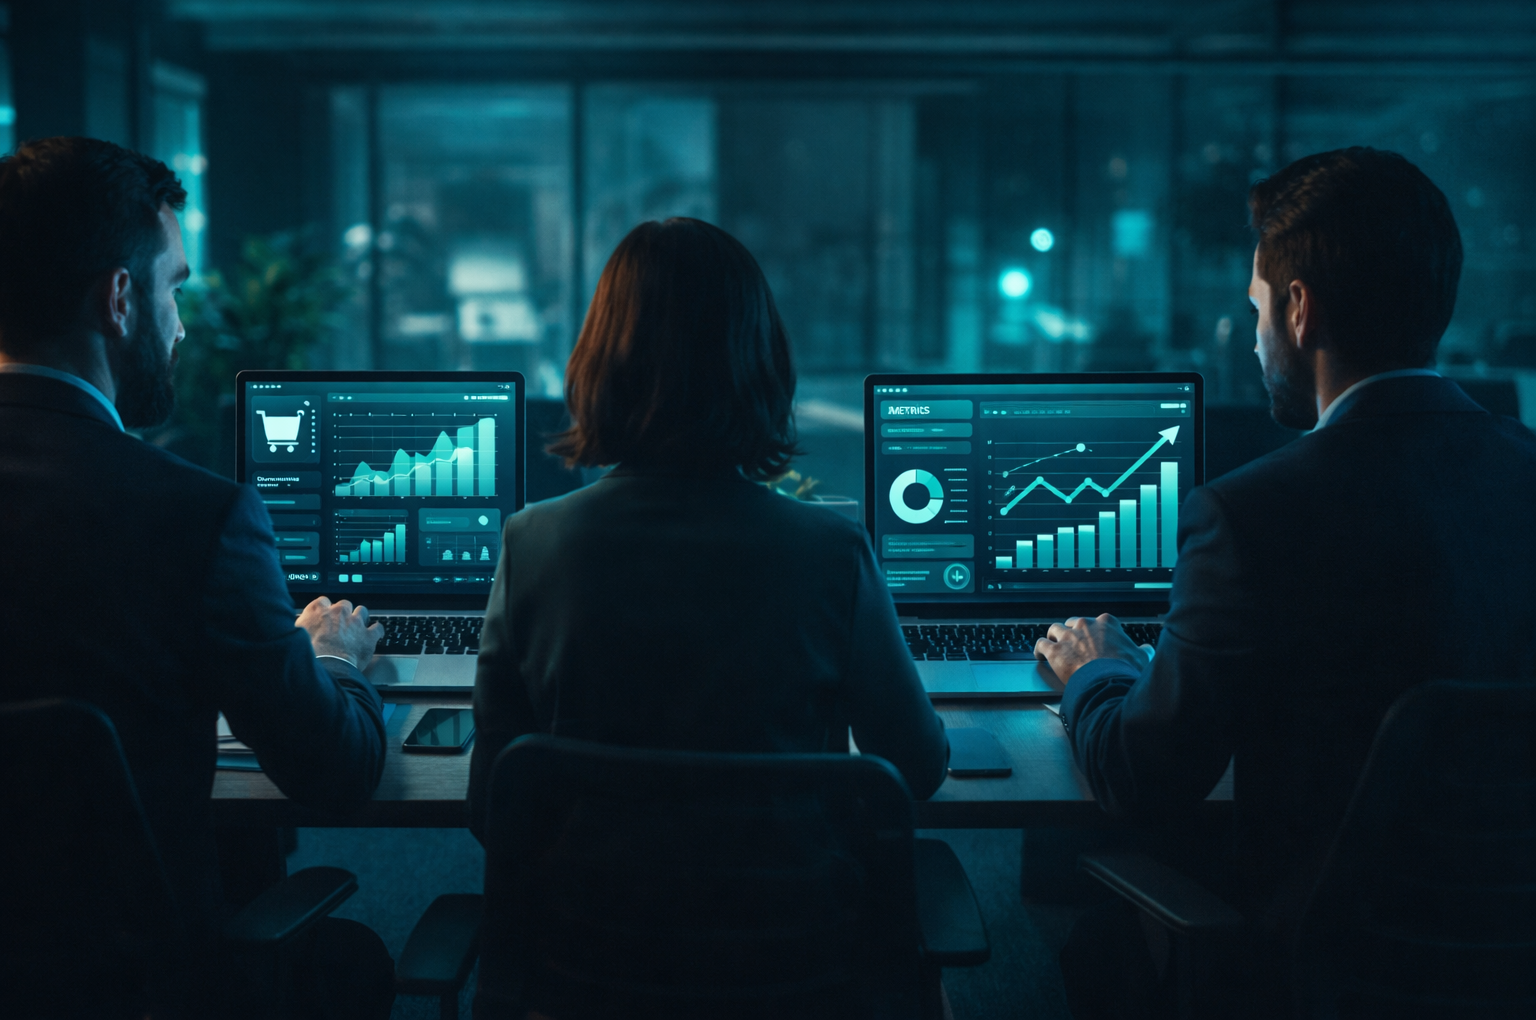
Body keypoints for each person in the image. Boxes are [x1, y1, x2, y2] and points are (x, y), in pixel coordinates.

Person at [1035, 146, 1536, 1018]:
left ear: (1299, 311)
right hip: (1508, 950)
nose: (1257, 336)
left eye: (1257, 309)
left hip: (1321, 959)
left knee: (1067, 924)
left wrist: (1096, 670)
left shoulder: (1253, 514)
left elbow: (1142, 778)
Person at [468, 217, 950, 1011]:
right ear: (759, 364)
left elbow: (494, 806)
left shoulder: (532, 546)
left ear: (600, 363)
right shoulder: (830, 553)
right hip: (796, 973)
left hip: (588, 971)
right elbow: (920, 769)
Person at [0, 137, 394, 1018]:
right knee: (355, 959)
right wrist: (330, 655)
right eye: (175, 286)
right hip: (138, 981)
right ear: (120, 298)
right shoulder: (196, 518)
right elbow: (336, 773)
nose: (182, 324)